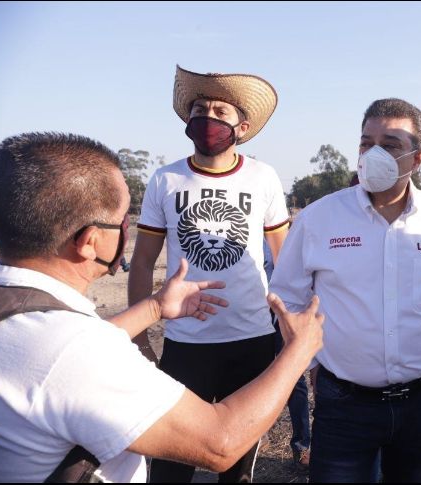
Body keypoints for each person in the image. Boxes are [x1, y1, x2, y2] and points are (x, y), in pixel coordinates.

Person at [0, 132, 324, 483]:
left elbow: (68, 347)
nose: (129, 229)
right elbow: (220, 444)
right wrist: (298, 351)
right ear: (90, 241)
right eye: (123, 220)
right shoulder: (74, 354)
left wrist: (153, 308)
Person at [270, 98, 421, 483]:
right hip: (342, 403)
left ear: (417, 157)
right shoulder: (321, 218)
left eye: (389, 145)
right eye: (365, 143)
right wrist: (309, 360)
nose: (374, 153)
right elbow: (287, 297)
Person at [129, 66, 290, 482]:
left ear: (243, 125)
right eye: (200, 108)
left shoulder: (263, 177)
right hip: (186, 343)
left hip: (252, 340)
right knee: (170, 464)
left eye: (221, 110)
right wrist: (140, 334)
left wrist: (291, 331)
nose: (209, 117)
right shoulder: (164, 179)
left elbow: (286, 259)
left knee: (237, 466)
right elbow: (143, 262)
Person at [263, 239, 312, 470]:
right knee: (253, 378)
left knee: (294, 381)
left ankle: (302, 445)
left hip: (285, 317)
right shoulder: (243, 238)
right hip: (252, 321)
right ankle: (253, 438)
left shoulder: (290, 241)